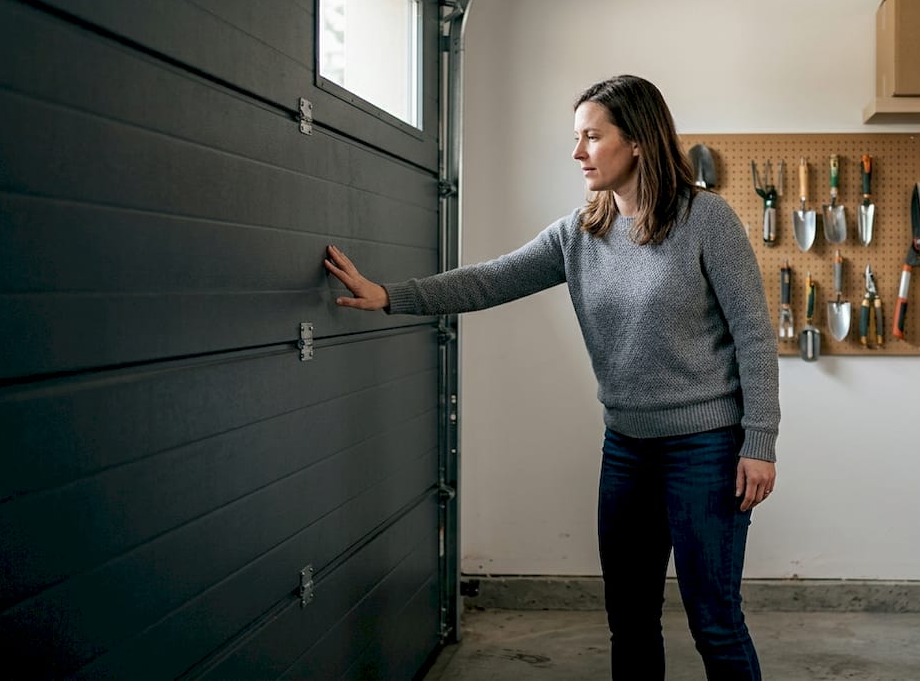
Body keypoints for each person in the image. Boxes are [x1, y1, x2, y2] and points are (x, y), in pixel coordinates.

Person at [324, 74, 779, 680]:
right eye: (576, 137)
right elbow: (491, 279)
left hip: (706, 447)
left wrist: (760, 441)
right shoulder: (580, 233)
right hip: (627, 448)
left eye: (592, 137)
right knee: (630, 619)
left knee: (714, 620)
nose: (577, 152)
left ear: (638, 140)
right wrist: (389, 295)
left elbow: (754, 334)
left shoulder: (708, 221)